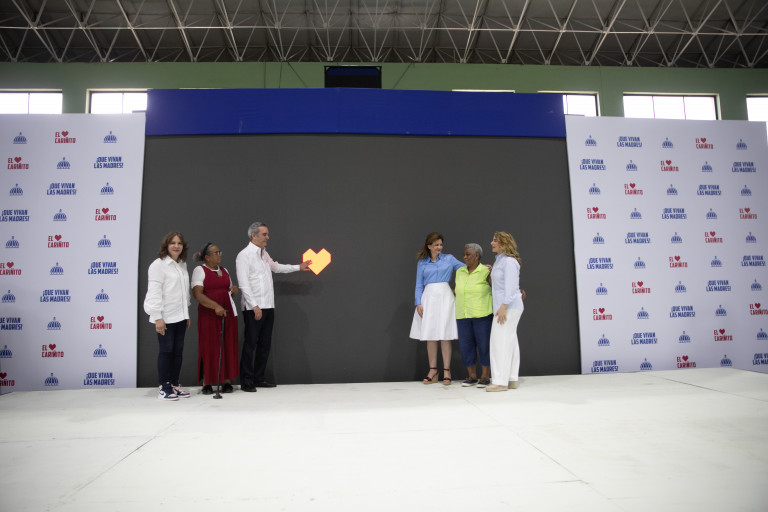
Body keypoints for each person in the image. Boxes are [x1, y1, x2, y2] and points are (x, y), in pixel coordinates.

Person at [236, 222, 312, 392]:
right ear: (253, 235)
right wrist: (254, 305)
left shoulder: (264, 254)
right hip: (254, 307)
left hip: (268, 305)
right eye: (264, 234)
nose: (268, 237)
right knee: (250, 344)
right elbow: (243, 283)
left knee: (265, 344)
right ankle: (246, 380)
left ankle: (259, 377)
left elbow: (276, 268)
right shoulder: (244, 255)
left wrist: (298, 267)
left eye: (268, 234)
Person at [409, 232, 465, 385]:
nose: (439, 247)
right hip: (428, 298)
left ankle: (447, 371)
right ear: (429, 246)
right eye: (436, 245)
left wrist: (482, 268)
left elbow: (466, 269)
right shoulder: (422, 262)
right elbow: (419, 284)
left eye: (441, 244)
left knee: (445, 334)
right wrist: (418, 303)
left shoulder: (449, 259)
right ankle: (433, 370)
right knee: (431, 334)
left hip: (445, 297)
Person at [143, 231, 191, 401]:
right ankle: (164, 387)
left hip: (180, 316)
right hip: (165, 317)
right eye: (173, 243)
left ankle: (175, 384)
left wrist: (186, 314)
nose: (176, 246)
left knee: (178, 352)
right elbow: (154, 292)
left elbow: (184, 292)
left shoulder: (182, 265)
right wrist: (157, 317)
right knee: (166, 351)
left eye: (179, 243)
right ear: (166, 245)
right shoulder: (158, 265)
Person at [191, 242, 239, 394]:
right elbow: (197, 294)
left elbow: (227, 292)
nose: (219, 255)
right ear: (207, 257)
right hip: (209, 315)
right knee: (209, 346)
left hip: (226, 313)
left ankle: (226, 381)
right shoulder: (200, 270)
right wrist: (215, 306)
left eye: (220, 252)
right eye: (216, 253)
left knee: (226, 345)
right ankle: (207, 382)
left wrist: (233, 291)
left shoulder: (225, 270)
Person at [486, 231, 524, 392]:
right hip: (507, 306)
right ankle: (511, 378)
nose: (492, 243)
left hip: (507, 307)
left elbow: (511, 287)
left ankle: (500, 381)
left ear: (503, 243)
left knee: (499, 342)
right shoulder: (500, 261)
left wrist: (503, 307)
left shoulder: (508, 262)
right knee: (510, 341)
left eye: (495, 240)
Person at [455, 243, 493, 388]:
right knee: (466, 346)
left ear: (477, 256)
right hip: (462, 314)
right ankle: (471, 376)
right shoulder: (460, 271)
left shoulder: (486, 271)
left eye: (468, 254)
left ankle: (485, 376)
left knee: (484, 345)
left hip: (482, 314)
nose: (464, 257)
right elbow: (457, 289)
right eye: (464, 254)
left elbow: (497, 288)